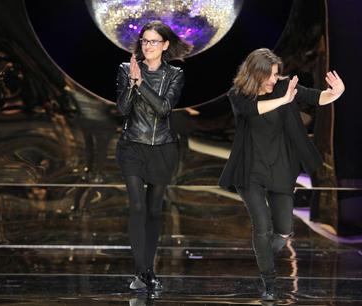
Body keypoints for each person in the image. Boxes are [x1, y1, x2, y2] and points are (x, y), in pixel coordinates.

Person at [219, 48, 345, 300]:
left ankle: (264, 253)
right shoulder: (237, 94)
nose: (273, 80)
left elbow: (317, 97)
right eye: (269, 75)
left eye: (276, 75)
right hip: (250, 168)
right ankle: (269, 281)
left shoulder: (285, 87)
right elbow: (252, 111)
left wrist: (336, 94)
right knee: (262, 225)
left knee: (284, 230)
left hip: (281, 167)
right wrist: (284, 100)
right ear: (255, 73)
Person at [115, 20, 192, 292]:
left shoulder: (175, 74)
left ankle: (148, 268)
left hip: (162, 147)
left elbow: (163, 109)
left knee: (153, 211)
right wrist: (132, 83)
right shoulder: (127, 69)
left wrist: (141, 84)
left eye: (154, 41)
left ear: (165, 45)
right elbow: (123, 109)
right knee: (137, 207)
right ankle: (142, 271)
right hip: (132, 146)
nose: (148, 46)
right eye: (144, 41)